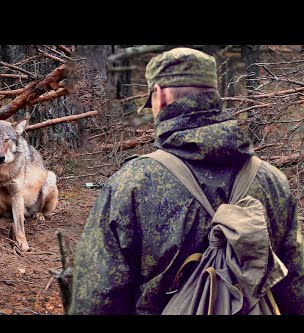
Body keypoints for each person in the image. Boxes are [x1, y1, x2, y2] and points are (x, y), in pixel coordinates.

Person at [69, 47, 304, 315]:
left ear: (160, 94)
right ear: (213, 95)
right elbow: (295, 288)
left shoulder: (131, 185)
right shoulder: (273, 181)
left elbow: (97, 300)